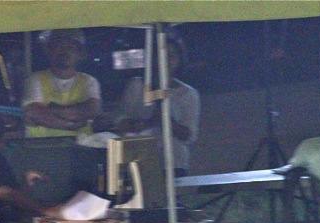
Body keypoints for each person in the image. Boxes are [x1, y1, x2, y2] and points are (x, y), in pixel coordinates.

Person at [116, 34, 199, 177]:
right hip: (139, 161)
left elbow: (189, 135)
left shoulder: (187, 93)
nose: (166, 59)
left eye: (171, 55)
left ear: (179, 59)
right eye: (161, 54)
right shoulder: (136, 86)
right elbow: (121, 123)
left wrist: (165, 119)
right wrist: (149, 122)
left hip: (174, 163)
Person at [0, 116, 61, 223]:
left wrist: (26, 183)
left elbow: (17, 198)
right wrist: (45, 210)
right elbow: (4, 193)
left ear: (0, 143)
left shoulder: (1, 162)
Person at [22, 29, 101, 139]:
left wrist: (52, 109)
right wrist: (72, 125)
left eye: (71, 47)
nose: (65, 52)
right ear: (49, 51)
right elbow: (36, 114)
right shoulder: (35, 79)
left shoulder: (89, 81)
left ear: (80, 54)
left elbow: (90, 111)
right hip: (41, 149)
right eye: (59, 46)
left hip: (81, 149)